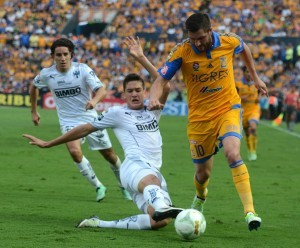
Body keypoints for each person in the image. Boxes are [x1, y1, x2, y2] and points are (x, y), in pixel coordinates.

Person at [23, 36, 183, 230]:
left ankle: (101, 223)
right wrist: (49, 143)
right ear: (123, 96)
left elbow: (164, 83)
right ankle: (164, 206)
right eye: (129, 91)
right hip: (134, 169)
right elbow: (84, 128)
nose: (134, 94)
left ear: (145, 93)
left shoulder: (153, 109)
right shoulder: (116, 113)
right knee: (152, 183)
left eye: (138, 90)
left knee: (159, 221)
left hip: (152, 171)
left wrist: (141, 57)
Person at [148, 13, 268, 231]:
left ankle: (250, 212)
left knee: (232, 153)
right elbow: (161, 79)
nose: (197, 42)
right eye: (193, 38)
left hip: (227, 108)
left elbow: (245, 48)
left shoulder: (228, 41)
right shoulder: (182, 51)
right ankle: (200, 198)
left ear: (210, 31)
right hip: (199, 119)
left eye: (201, 38)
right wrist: (154, 97)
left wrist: (255, 77)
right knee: (203, 174)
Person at [29, 38, 131, 202]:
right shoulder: (47, 74)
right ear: (53, 56)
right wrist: (34, 111)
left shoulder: (82, 70)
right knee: (75, 152)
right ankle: (99, 186)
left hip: (90, 119)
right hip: (68, 121)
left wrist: (94, 101)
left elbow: (101, 90)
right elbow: (33, 86)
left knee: (109, 155)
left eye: (65, 54)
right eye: (58, 55)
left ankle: (123, 185)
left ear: (71, 55)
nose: (62, 58)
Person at [236, 66, 261, 161]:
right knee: (247, 132)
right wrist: (241, 98)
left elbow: (261, 92)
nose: (249, 74)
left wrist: (260, 97)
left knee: (253, 126)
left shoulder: (257, 82)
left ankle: (253, 151)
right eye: (247, 72)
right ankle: (250, 150)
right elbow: (232, 95)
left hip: (254, 109)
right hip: (243, 111)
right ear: (243, 72)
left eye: (250, 72)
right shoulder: (237, 84)